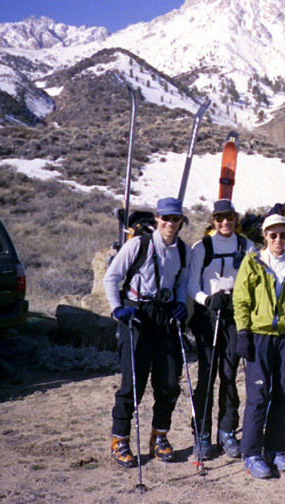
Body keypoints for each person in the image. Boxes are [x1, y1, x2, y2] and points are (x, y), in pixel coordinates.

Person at [104, 197, 189, 468]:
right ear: (157, 218)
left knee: (168, 381)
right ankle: (120, 439)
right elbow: (112, 277)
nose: (169, 223)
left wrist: (179, 303)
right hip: (137, 315)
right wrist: (117, 308)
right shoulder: (138, 244)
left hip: (164, 317)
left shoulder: (182, 250)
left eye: (175, 219)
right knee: (133, 381)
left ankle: (159, 436)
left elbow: (182, 281)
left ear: (181, 222)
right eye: (165, 218)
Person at [232, 214, 285, 479]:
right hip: (260, 336)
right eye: (273, 235)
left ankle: (276, 449)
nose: (279, 239)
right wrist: (243, 332)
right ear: (265, 236)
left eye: (283, 234)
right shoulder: (253, 262)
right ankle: (252, 453)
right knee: (258, 396)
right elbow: (242, 298)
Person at [186, 199, 256, 460]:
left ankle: (227, 432)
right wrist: (207, 299)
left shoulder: (246, 245)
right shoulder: (201, 247)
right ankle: (202, 434)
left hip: (235, 314)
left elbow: (253, 281)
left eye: (229, 217)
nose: (225, 222)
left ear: (235, 218)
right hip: (209, 315)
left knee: (229, 373)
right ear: (212, 221)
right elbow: (192, 285)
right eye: (219, 218)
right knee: (207, 375)